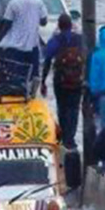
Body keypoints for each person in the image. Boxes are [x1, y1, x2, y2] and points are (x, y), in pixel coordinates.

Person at [41, 14, 85, 151]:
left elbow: (47, 59)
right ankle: (70, 139)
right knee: (74, 109)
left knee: (62, 108)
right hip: (78, 82)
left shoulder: (56, 40)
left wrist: (43, 81)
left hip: (60, 82)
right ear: (71, 25)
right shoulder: (80, 39)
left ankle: (64, 139)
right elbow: (88, 58)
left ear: (59, 26)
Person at [0, 0, 47, 83]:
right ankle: (32, 95)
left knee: (15, 78)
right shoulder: (39, 3)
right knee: (34, 76)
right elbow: (44, 22)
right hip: (32, 47)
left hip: (15, 48)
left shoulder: (13, 3)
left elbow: (6, 25)